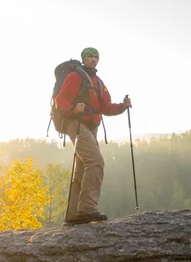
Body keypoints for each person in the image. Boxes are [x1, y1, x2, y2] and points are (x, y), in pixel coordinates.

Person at [54, 46, 132, 224]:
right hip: (77, 125)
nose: (94, 59)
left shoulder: (98, 82)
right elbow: (61, 100)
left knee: (83, 168)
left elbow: (106, 107)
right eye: (90, 57)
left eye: (96, 57)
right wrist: (73, 109)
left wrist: (123, 106)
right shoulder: (75, 77)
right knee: (95, 161)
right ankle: (87, 208)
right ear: (84, 59)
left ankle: (73, 215)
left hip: (91, 127)